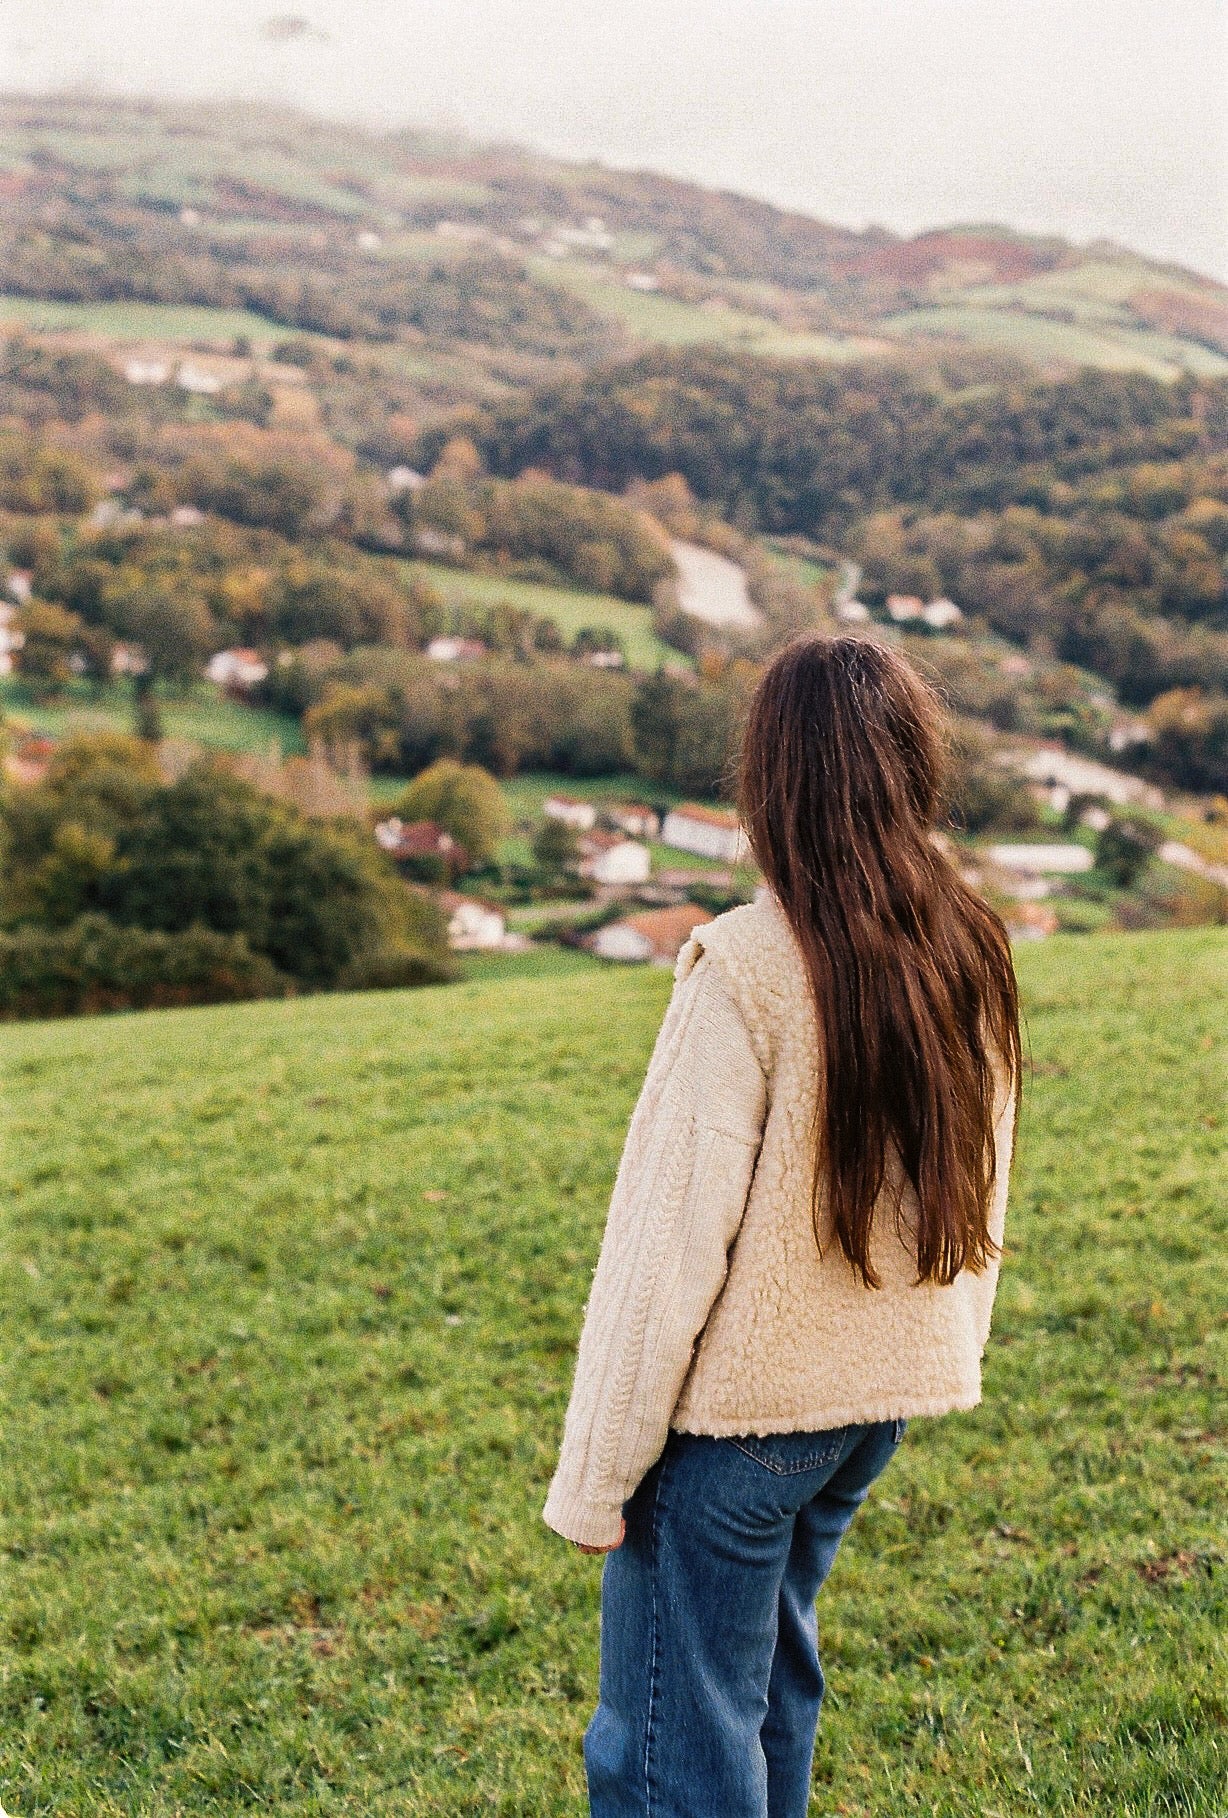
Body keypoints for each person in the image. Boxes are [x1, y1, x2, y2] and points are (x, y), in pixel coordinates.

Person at [542, 635, 1022, 1818]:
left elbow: (662, 1256)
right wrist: (935, 1355)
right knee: (761, 1700)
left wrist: (594, 1484)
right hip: (866, 1412)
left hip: (739, 1431)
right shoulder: (966, 940)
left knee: (666, 1750)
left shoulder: (745, 967)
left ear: (772, 779)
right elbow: (984, 1182)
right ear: (910, 767)